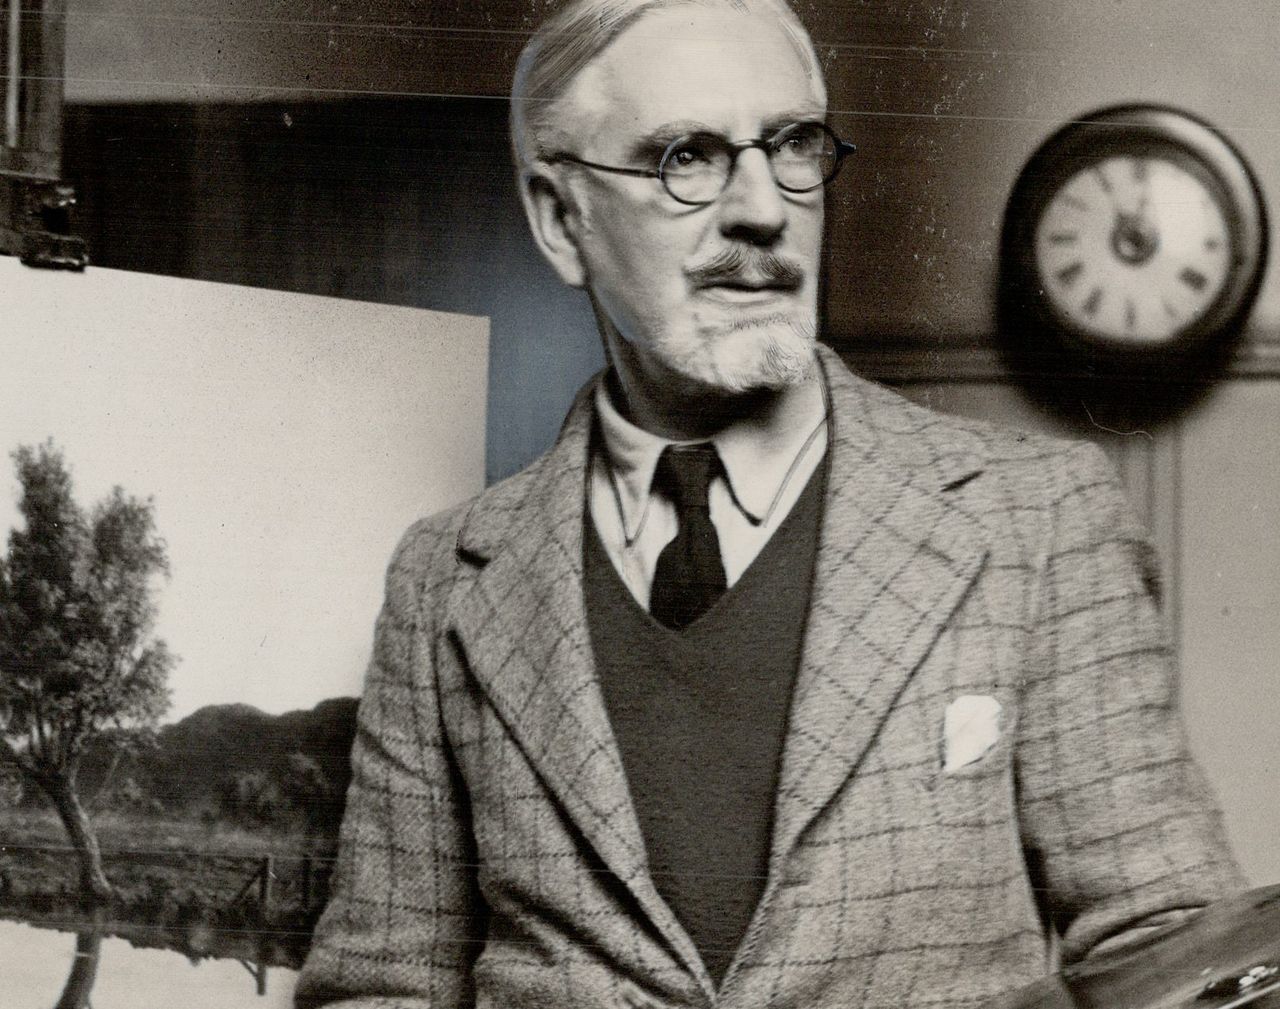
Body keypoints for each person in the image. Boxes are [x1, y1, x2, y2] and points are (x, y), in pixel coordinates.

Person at [295, 1, 1243, 1006]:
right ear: (558, 217)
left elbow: (1180, 959)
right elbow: (379, 986)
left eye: (790, 145)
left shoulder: (1036, 521)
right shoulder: (443, 579)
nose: (762, 208)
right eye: (685, 156)